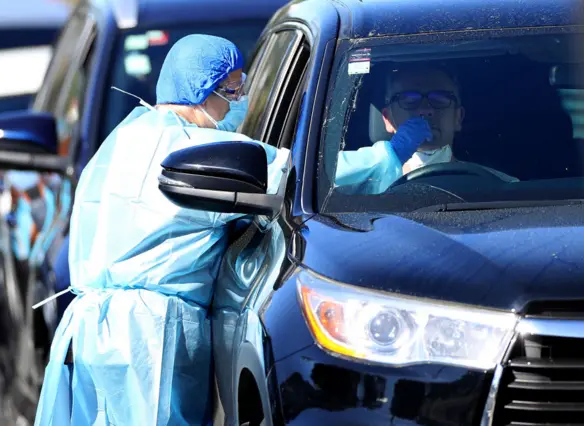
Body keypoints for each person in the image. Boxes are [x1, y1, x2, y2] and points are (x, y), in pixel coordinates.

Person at [32, 35, 442, 426]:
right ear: (202, 89)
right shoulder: (197, 150)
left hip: (90, 331)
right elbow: (303, 176)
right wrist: (391, 153)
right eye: (230, 92)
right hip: (151, 334)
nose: (238, 105)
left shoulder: (123, 139)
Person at [336, 65, 517, 194]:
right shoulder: (360, 183)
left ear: (458, 117)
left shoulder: (500, 187)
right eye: (408, 99)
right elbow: (316, 177)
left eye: (439, 98)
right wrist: (390, 156)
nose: (425, 110)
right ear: (387, 119)